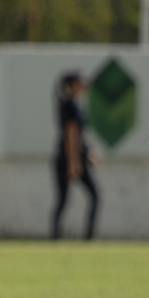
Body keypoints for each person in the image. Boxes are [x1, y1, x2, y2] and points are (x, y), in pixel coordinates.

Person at [51, 71, 98, 240]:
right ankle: (87, 236)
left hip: (67, 156)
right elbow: (71, 135)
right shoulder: (69, 106)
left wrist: (87, 153)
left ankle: (55, 235)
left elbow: (77, 137)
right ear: (71, 85)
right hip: (69, 158)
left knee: (63, 199)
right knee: (93, 195)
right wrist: (74, 163)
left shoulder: (68, 104)